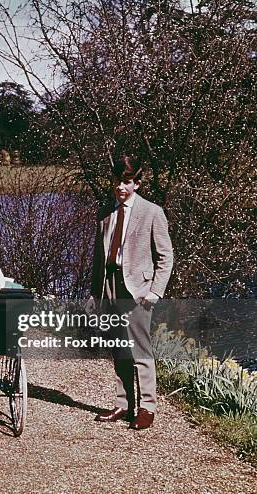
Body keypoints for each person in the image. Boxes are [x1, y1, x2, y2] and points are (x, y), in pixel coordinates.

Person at [89, 156, 173, 430]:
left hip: (137, 289)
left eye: (126, 182)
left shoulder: (152, 212)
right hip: (110, 286)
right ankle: (123, 404)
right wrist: (94, 293)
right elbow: (98, 257)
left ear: (137, 183)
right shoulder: (105, 212)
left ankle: (147, 407)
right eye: (117, 181)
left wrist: (154, 293)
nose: (120, 187)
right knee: (118, 348)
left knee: (140, 349)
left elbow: (165, 257)